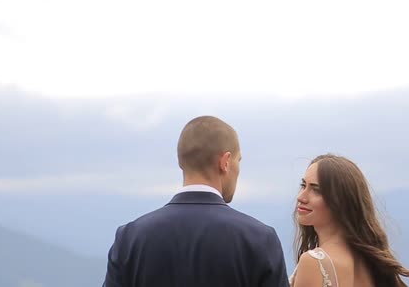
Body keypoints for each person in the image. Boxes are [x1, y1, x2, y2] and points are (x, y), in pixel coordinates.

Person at [103, 115, 289, 287]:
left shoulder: (129, 238)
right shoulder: (260, 239)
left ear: (181, 161)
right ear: (225, 162)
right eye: (238, 161)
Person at [290, 154, 409, 287]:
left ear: (341, 200)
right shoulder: (373, 263)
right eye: (303, 185)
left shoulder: (314, 262)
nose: (301, 197)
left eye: (316, 190)